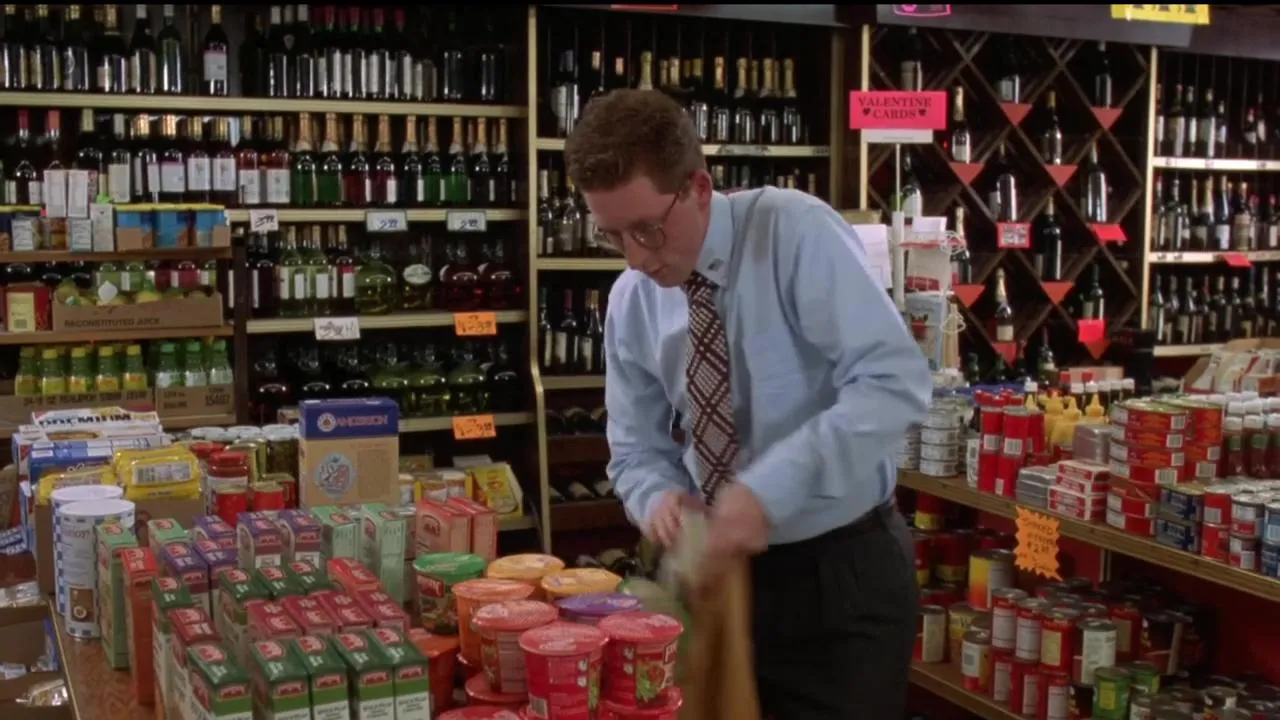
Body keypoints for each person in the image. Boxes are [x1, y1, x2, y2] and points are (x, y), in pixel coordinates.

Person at [564, 88, 932, 720]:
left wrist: (767, 492)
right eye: (612, 235)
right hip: (718, 584)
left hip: (838, 577)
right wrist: (658, 499)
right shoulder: (632, 301)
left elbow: (893, 381)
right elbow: (634, 450)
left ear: (699, 188)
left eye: (648, 229)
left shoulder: (794, 232)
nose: (637, 258)